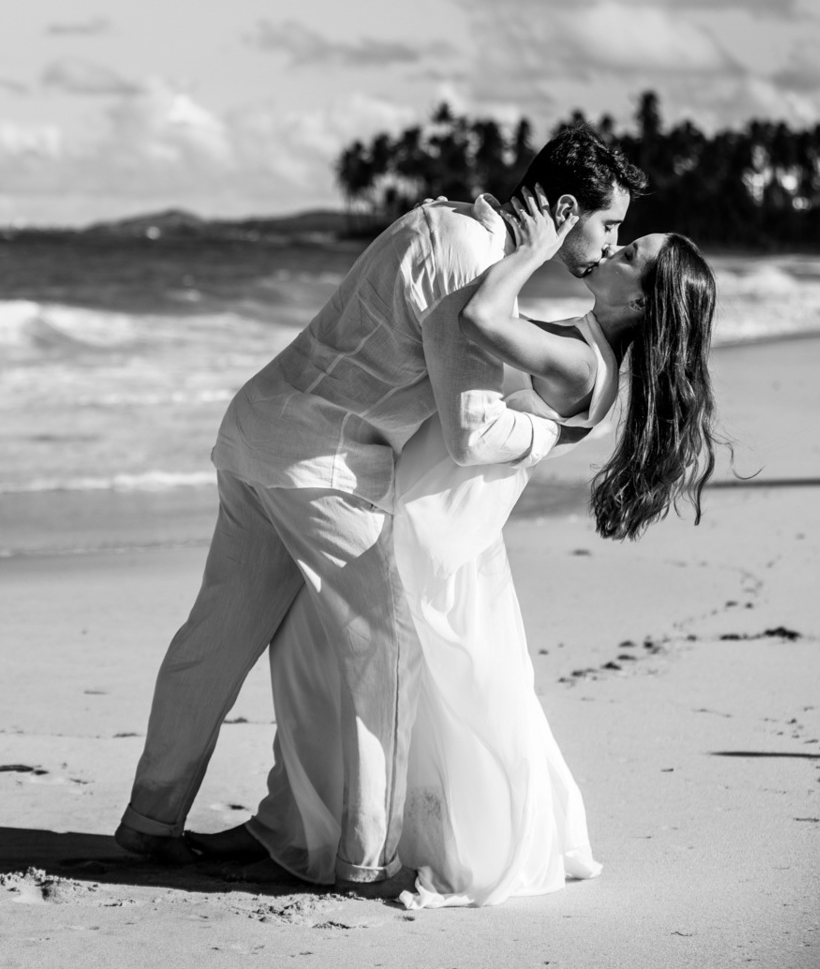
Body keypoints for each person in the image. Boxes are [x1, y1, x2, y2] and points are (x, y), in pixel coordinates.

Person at [116, 127, 646, 889]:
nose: (610, 241)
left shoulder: (443, 221)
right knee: (387, 653)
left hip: (257, 429)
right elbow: (469, 433)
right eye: (609, 225)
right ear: (565, 208)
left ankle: (151, 820)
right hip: (320, 462)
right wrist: (558, 432)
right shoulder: (472, 261)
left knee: (217, 636)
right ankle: (367, 858)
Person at [246, 186, 717, 907]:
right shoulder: (581, 338)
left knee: (415, 675)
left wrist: (525, 252)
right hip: (445, 513)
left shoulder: (583, 363)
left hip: (439, 521)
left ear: (644, 303)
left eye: (631, 253)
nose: (617, 248)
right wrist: (465, 228)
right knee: (429, 677)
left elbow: (481, 316)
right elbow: (469, 308)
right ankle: (335, 820)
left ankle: (374, 834)